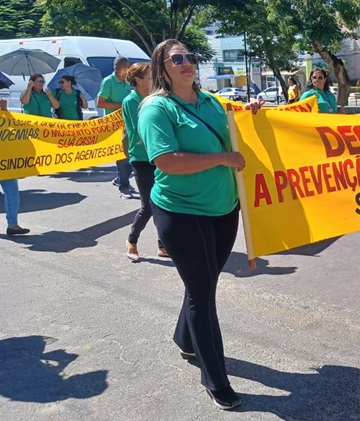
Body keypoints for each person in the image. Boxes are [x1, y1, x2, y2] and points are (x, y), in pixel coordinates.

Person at [137, 39, 261, 410]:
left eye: (190, 57)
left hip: (223, 208)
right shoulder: (155, 108)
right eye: (178, 59)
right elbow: (168, 162)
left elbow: (235, 126)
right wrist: (224, 158)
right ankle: (215, 378)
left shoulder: (210, 101)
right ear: (162, 67)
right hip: (180, 211)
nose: (187, 63)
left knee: (203, 283)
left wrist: (253, 112)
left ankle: (186, 339)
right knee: (202, 292)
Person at [121, 62, 168, 261]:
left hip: (159, 156)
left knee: (163, 202)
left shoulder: (156, 97)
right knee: (148, 205)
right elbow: (140, 129)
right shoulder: (131, 101)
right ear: (138, 80)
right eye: (150, 76)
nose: (154, 78)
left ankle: (163, 245)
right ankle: (132, 240)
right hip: (141, 158)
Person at [97, 56, 135, 198]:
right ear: (120, 69)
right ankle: (123, 187)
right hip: (114, 126)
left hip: (126, 123)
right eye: (128, 67)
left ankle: (121, 179)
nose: (130, 70)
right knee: (122, 157)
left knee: (131, 155)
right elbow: (100, 103)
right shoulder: (108, 82)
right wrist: (121, 105)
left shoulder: (126, 83)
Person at [0, 99, 30, 236]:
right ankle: (12, 224)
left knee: (12, 192)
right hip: (5, 159)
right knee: (12, 192)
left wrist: (5, 111)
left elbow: (10, 128)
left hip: (6, 159)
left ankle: (13, 225)